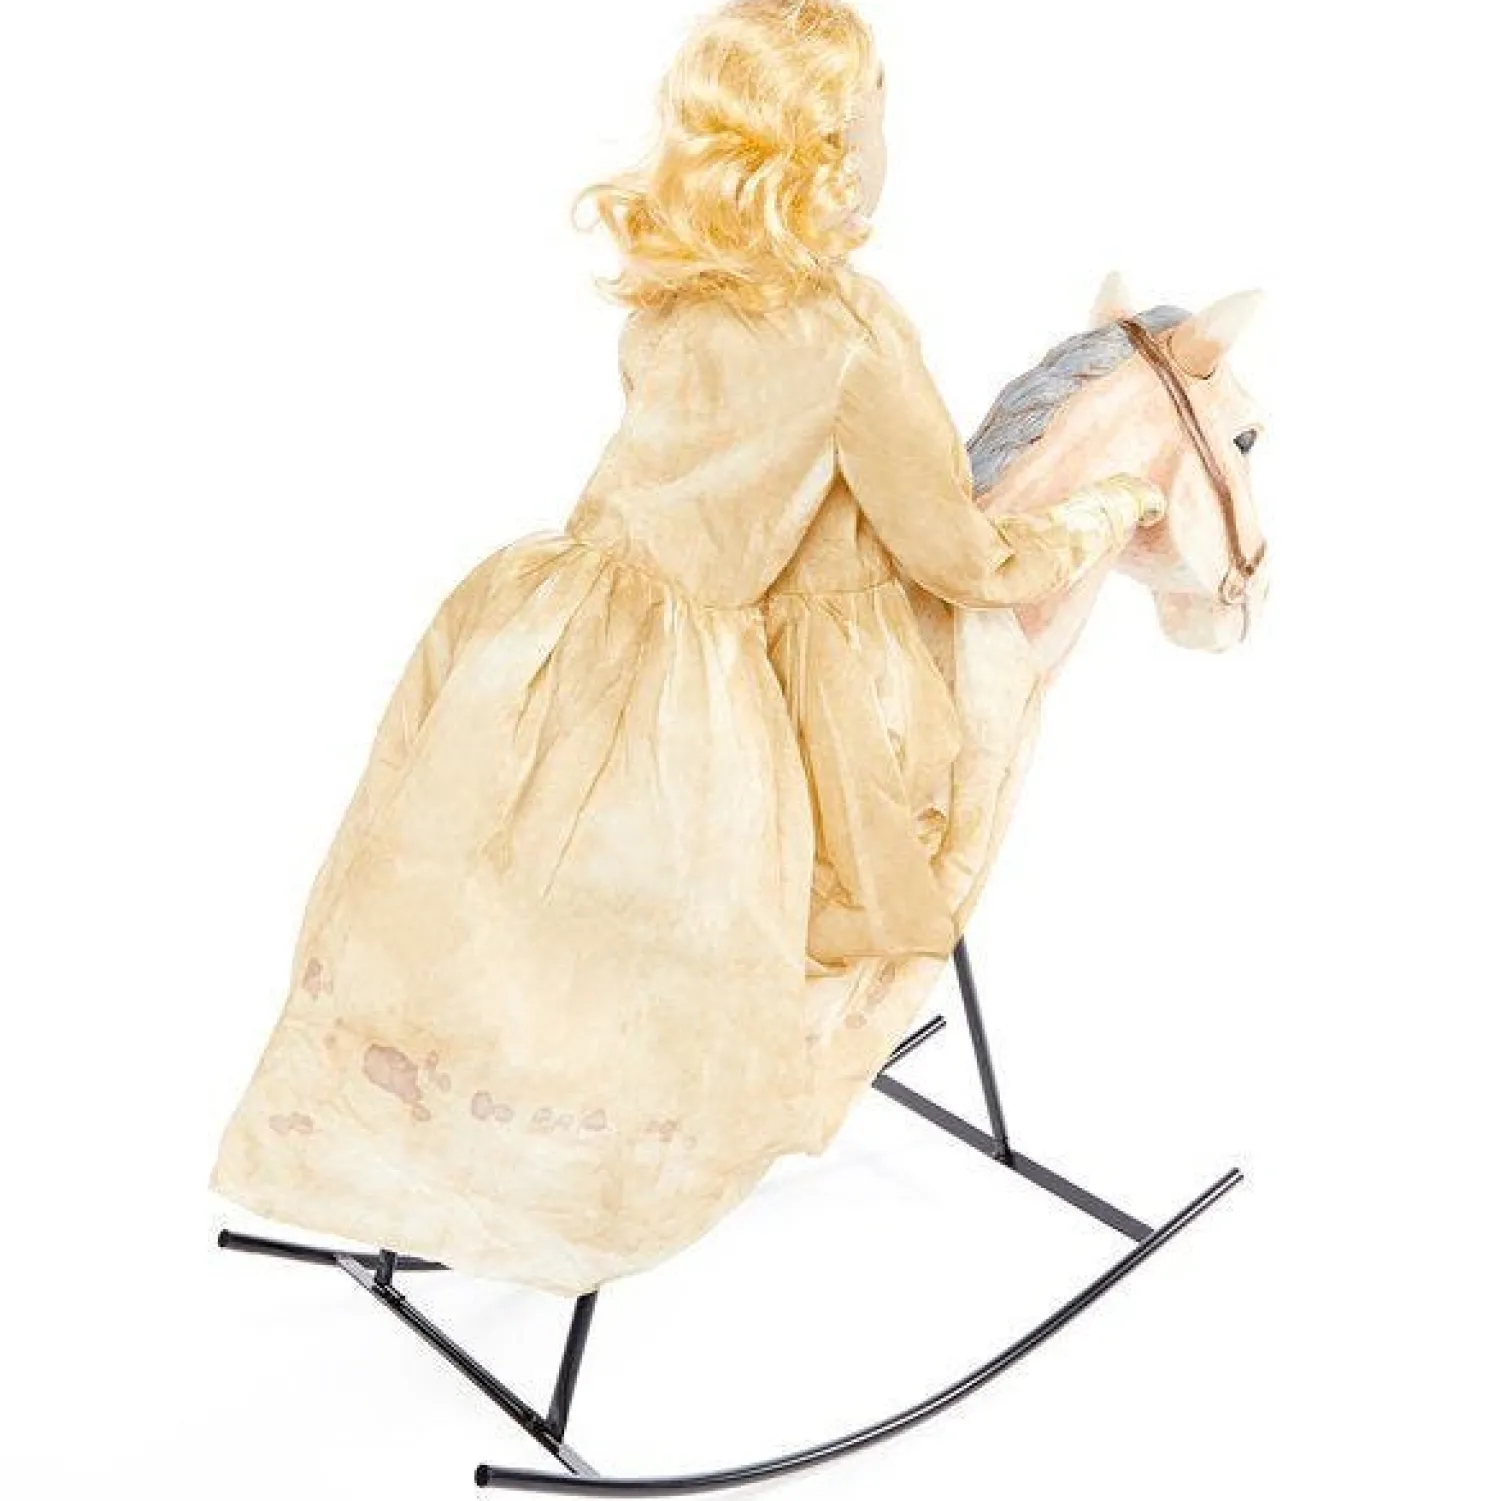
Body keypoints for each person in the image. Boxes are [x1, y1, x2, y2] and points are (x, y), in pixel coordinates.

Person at [209, 0, 1166, 1298]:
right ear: (833, 148)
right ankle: (602, 1176)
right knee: (705, 922)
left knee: (490, 896)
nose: (887, 143)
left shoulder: (671, 294)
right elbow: (960, 553)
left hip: (546, 621)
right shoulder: (850, 334)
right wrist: (1104, 510)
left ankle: (429, 1134)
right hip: (686, 679)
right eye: (876, 117)